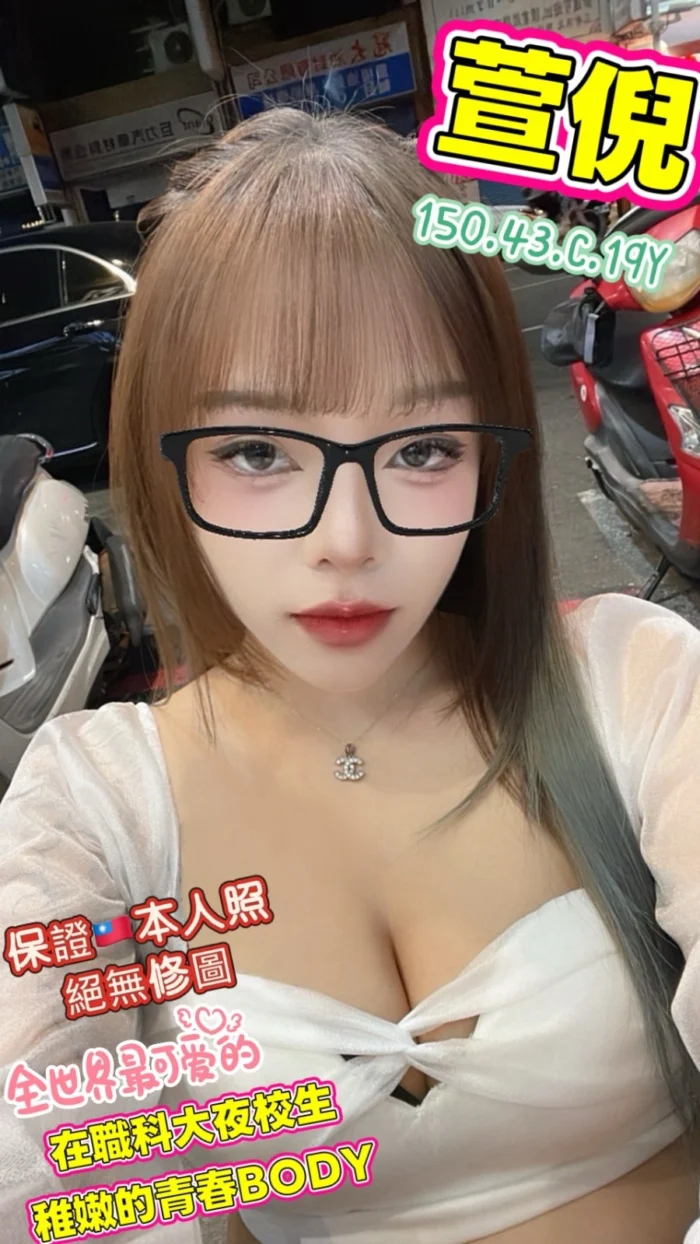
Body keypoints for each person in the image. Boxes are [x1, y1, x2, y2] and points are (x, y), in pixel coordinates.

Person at [1, 106, 700, 1244]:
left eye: (421, 448)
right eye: (257, 451)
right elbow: (51, 1181)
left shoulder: (636, 684)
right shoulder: (92, 812)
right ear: (163, 463)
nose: (346, 541)